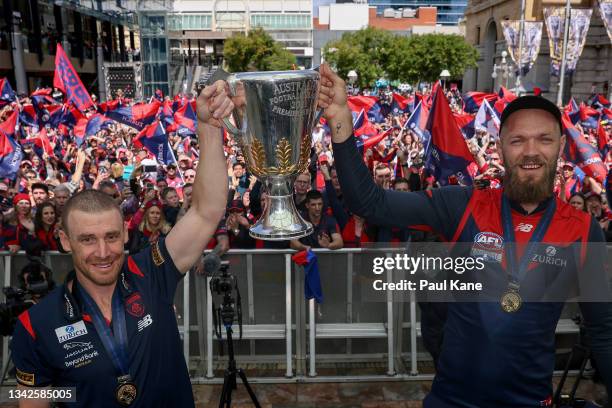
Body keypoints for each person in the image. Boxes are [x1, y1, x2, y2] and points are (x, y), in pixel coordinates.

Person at [317, 63, 612, 407]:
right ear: (501, 148)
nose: (531, 151)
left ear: (560, 148)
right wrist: (340, 118)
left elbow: (604, 332)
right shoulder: (463, 205)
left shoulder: (582, 228)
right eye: (517, 140)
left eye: (544, 139)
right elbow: (369, 201)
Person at [9, 80, 231, 408]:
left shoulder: (151, 271)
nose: (103, 252)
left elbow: (206, 210)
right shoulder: (35, 324)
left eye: (111, 237)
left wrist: (209, 126)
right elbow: (36, 400)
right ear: (65, 241)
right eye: (87, 239)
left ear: (126, 234)